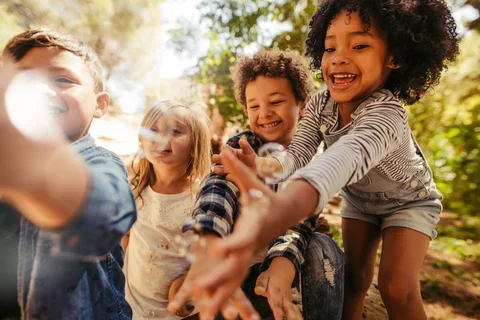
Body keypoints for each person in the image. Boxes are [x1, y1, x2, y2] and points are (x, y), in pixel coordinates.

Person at [180, 1, 460, 319]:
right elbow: (297, 156)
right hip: (360, 201)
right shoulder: (319, 105)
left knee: (396, 286)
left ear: (393, 56)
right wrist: (262, 166)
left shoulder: (387, 115)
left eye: (360, 45)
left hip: (409, 201)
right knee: (354, 281)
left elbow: (341, 160)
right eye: (330, 48)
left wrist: (281, 209)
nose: (339, 57)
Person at [168, 49, 344, 320]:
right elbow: (217, 193)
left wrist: (281, 265)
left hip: (284, 264)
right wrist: (209, 242)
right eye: (254, 106)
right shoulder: (242, 146)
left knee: (325, 248)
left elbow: (300, 224)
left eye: (276, 101)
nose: (264, 113)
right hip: (237, 265)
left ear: (303, 105)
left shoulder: (311, 160)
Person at [0, 29, 136, 319]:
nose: (38, 91)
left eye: (61, 79)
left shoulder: (101, 162)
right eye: (23, 79)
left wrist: (33, 171)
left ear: (100, 104)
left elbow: (109, 215)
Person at [122, 101, 211, 319]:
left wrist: (191, 279)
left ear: (194, 146)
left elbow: (214, 252)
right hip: (134, 306)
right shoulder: (134, 189)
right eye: (153, 129)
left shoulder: (203, 196)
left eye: (175, 130)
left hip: (183, 310)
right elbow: (126, 239)